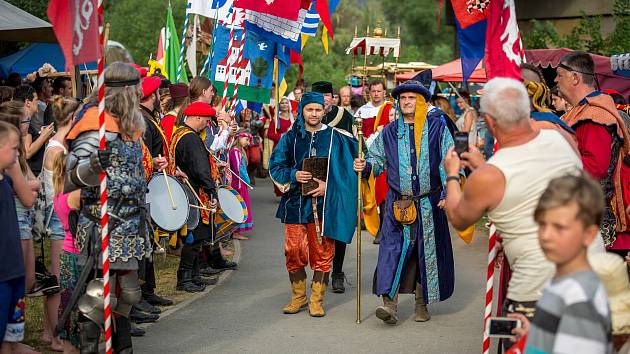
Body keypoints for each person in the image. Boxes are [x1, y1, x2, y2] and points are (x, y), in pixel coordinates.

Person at [443, 78, 587, 334]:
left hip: (538, 294)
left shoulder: (492, 175)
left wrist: (452, 174)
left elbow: (458, 216)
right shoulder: (560, 139)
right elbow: (532, 187)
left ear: (488, 121)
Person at [64, 62, 152, 353]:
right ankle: (88, 348)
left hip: (131, 221)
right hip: (103, 222)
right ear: (123, 92)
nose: (141, 93)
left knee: (128, 294)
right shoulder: (94, 125)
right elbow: (68, 178)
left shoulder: (130, 125)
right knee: (98, 294)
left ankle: (123, 348)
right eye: (136, 89)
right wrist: (92, 164)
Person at [353, 80, 454, 325]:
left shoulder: (437, 129)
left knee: (422, 255)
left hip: (429, 205)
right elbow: (376, 160)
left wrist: (448, 193)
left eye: (412, 97)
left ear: (422, 102)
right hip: (397, 205)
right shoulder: (388, 131)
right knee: (391, 252)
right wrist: (365, 166)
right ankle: (390, 306)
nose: (407, 101)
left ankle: (422, 304)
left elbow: (449, 161)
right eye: (403, 98)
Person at [269, 92, 358, 317]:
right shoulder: (291, 137)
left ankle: (316, 300)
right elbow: (275, 166)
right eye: (310, 109)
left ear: (324, 111)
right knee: (293, 250)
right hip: (294, 204)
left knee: (323, 251)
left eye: (318, 110)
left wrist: (329, 186)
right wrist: (293, 174)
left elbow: (350, 172)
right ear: (302, 110)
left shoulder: (337, 138)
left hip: (324, 206)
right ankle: (298, 297)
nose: (314, 114)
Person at [510, 174, 613, 354]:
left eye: (559, 227)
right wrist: (536, 336)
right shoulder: (563, 282)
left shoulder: (580, 299)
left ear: (588, 235)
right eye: (542, 225)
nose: (546, 235)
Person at [555, 51, 630, 251]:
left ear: (575, 77)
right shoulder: (584, 111)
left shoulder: (593, 115)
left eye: (559, 74)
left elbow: (595, 168)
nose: (555, 80)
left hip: (597, 225)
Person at [170, 102, 225, 292]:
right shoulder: (191, 138)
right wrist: (212, 191)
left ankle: (193, 276)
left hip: (186, 189)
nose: (207, 124)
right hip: (194, 192)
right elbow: (200, 169)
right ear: (198, 117)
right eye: (207, 120)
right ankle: (185, 278)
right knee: (195, 236)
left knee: (195, 236)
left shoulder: (179, 133)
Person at [39, 96, 80, 351]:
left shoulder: (60, 147)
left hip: (59, 215)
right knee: (58, 282)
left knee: (58, 281)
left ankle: (48, 331)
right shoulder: (57, 151)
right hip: (58, 218)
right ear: (72, 119)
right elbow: (60, 190)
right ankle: (55, 335)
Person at [311, 81, 356, 293]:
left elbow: (358, 148)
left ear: (333, 97)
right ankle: (321, 270)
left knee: (338, 226)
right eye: (319, 96)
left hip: (339, 180)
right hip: (313, 180)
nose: (324, 99)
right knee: (316, 229)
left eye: (327, 95)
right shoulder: (308, 115)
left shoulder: (345, 118)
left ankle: (337, 271)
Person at [0, 120, 39, 354]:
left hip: (14, 269)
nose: (18, 154)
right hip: (2, 273)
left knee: (9, 335)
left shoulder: (8, 182)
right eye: (14, 148)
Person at [229, 130, 254, 240]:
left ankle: (237, 230)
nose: (248, 143)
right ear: (239, 138)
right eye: (247, 139)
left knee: (241, 205)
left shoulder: (239, 151)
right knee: (239, 206)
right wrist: (247, 181)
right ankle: (235, 231)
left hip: (240, 183)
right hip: (238, 183)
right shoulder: (235, 151)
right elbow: (239, 169)